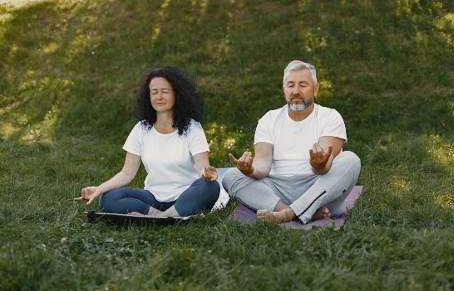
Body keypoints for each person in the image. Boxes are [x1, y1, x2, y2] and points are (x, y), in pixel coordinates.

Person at [222, 60, 361, 224]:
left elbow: (324, 168)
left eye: (303, 85)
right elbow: (263, 165)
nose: (296, 91)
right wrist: (249, 169)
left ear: (315, 89)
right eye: (290, 85)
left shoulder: (330, 117)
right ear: (284, 90)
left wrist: (319, 163)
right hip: (276, 189)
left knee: (351, 160)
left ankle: (289, 213)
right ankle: (298, 211)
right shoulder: (269, 119)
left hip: (318, 188)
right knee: (230, 176)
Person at [75, 66, 220, 217]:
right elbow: (126, 173)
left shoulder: (192, 128)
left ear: (177, 95)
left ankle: (160, 218)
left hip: (187, 196)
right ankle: (161, 216)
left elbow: (202, 167)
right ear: (148, 96)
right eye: (154, 92)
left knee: (209, 186)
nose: (159, 97)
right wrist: (99, 188)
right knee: (108, 198)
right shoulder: (141, 129)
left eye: (165, 91)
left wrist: (207, 174)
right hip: (153, 198)